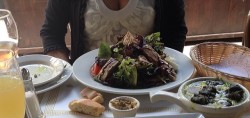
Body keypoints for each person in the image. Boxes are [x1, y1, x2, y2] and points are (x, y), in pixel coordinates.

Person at [40, 0, 188, 64]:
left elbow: (175, 33)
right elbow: (51, 34)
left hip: (150, 88)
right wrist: (67, 75)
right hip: (87, 89)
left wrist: (165, 74)